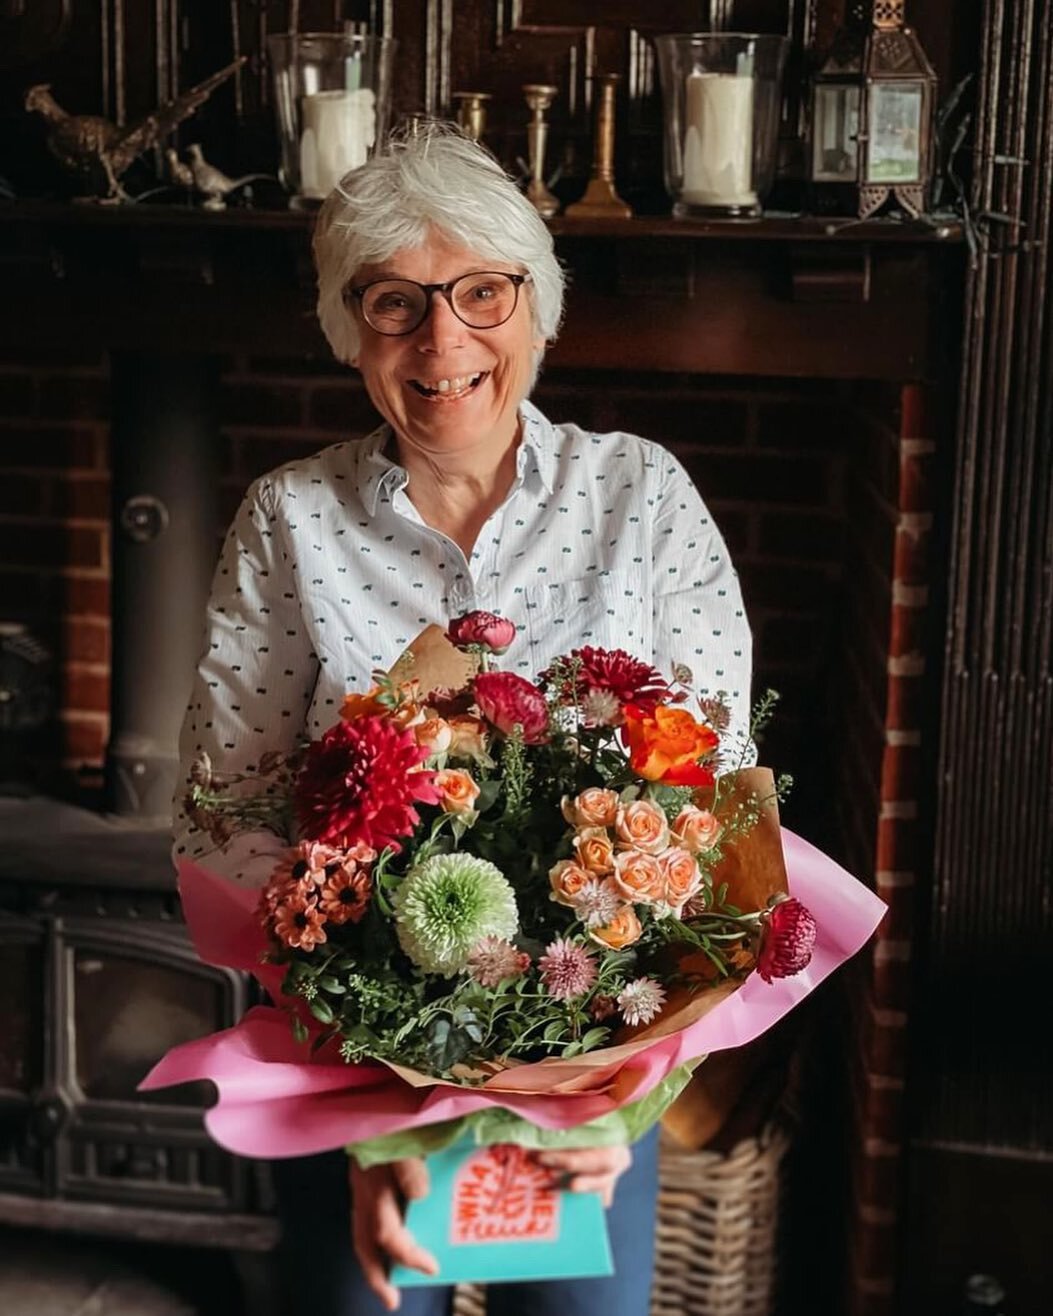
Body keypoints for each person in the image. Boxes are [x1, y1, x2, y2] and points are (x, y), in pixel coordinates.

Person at [173, 123, 753, 1316]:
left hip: (601, 1067)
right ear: (350, 330)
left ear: (537, 307)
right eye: (394, 303)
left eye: (482, 291)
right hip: (355, 1073)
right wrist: (372, 1131)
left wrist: (636, 1089)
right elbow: (223, 815)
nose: (444, 340)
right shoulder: (291, 521)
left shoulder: (643, 495)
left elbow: (723, 800)